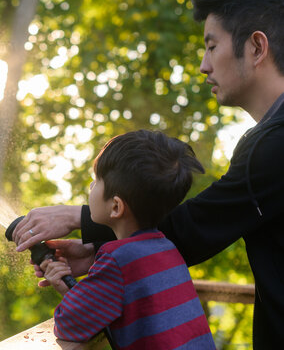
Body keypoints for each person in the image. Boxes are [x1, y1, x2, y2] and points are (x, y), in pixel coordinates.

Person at [13, 0, 284, 348]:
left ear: (256, 47)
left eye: (211, 46)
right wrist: (96, 251)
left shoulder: (272, 146)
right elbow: (192, 232)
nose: (204, 65)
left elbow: (196, 227)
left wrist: (79, 217)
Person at [39, 130, 214, 349]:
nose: (91, 187)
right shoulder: (166, 248)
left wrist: (61, 283)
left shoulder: (118, 259)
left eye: (97, 180)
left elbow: (70, 325)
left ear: (116, 206)